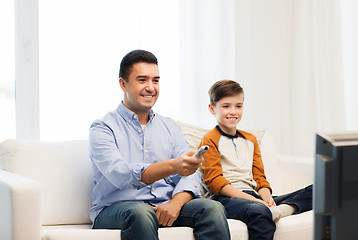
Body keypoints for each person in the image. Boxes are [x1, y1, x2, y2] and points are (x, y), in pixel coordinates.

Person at [89, 50, 230, 240]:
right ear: (123, 84)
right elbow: (120, 174)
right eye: (142, 80)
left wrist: (175, 204)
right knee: (141, 213)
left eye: (155, 80)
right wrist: (173, 166)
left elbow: (191, 174)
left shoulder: (170, 126)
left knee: (212, 208)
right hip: (116, 209)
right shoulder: (103, 127)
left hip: (165, 203)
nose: (151, 87)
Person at [199, 80, 313, 240]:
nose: (233, 111)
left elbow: (259, 178)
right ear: (212, 109)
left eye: (238, 106)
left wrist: (267, 200)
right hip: (227, 199)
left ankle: (280, 210)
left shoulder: (250, 140)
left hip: (254, 196)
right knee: (258, 211)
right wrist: (256, 202)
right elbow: (216, 182)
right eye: (226, 106)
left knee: (318, 191)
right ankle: (270, 210)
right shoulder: (209, 139)